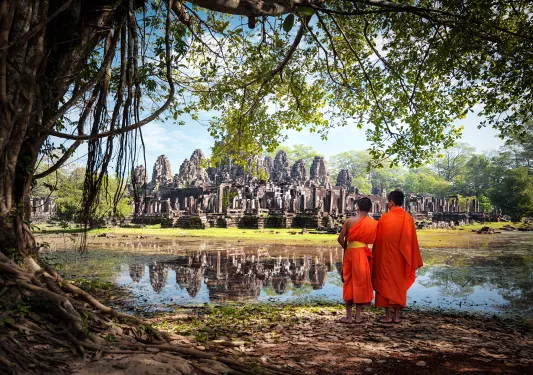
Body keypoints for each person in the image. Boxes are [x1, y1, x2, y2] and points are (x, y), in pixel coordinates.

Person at [372, 190, 423, 323]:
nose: (388, 204)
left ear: (392, 202)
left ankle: (387, 316)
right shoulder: (408, 218)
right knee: (398, 284)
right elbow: (411, 242)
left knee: (385, 283)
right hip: (401, 259)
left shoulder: (385, 218)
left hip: (385, 258)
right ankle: (396, 316)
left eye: (388, 201)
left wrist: (375, 257)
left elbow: (379, 241)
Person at [337, 197, 378, 324]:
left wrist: (347, 247)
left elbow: (340, 238)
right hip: (363, 253)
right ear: (370, 209)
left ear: (357, 207)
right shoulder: (373, 223)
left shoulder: (349, 221)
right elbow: (375, 240)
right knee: (360, 282)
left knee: (348, 281)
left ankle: (348, 317)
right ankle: (358, 317)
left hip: (351, 253)